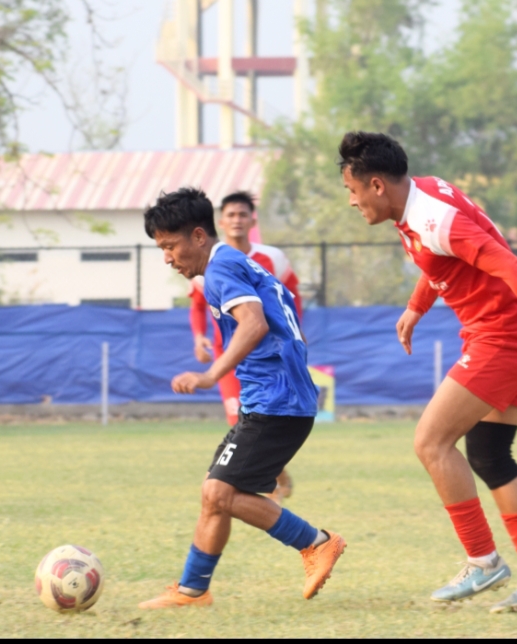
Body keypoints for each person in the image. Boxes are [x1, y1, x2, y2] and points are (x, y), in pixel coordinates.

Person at [337, 131, 517, 613]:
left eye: (352, 191)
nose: (351, 202)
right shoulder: (421, 194)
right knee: (489, 454)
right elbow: (440, 261)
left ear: (376, 185)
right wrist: (416, 306)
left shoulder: (432, 218)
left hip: (504, 337)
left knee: (430, 442)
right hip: (509, 333)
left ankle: (483, 561)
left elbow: (515, 268)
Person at [138, 187, 346, 610]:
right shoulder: (233, 262)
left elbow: (253, 324)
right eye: (162, 249)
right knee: (214, 492)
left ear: (199, 236)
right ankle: (193, 590)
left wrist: (210, 374)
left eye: (170, 246)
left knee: (219, 493)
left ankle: (317, 542)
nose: (167, 258)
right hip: (272, 398)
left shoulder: (219, 270)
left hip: (277, 402)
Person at [187, 192, 301, 502]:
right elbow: (197, 306)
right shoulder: (205, 264)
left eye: (242, 214)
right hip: (229, 358)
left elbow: (291, 296)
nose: (237, 220)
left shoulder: (272, 259)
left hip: (269, 357)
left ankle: (265, 478)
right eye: (231, 215)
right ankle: (272, 478)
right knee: (238, 417)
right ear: (221, 222)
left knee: (266, 416)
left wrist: (296, 335)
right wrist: (199, 337)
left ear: (253, 220)